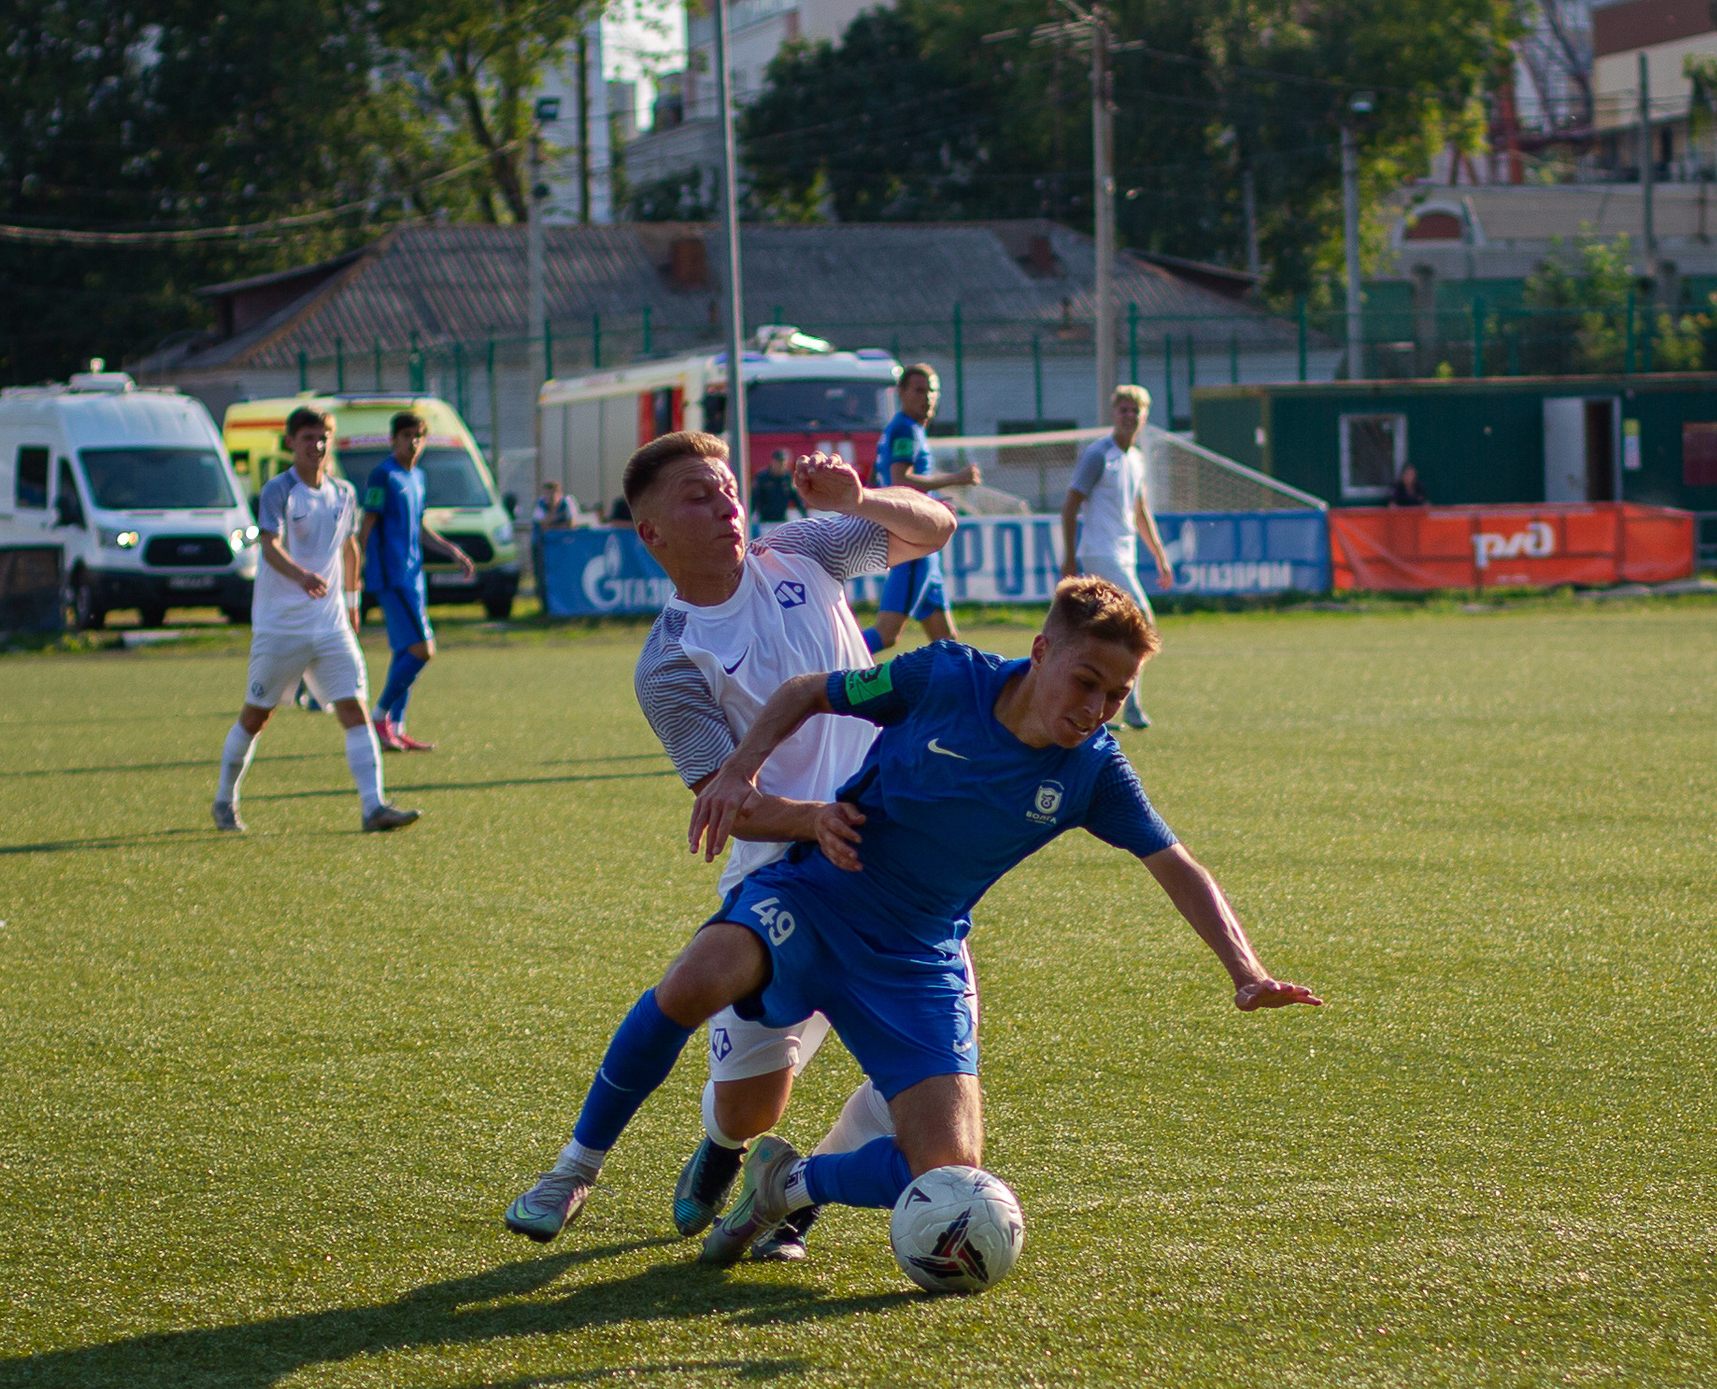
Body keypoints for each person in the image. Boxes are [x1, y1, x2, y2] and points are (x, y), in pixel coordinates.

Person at [502, 577, 1317, 1268]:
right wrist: (739, 774)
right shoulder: (944, 677)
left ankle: (788, 1187)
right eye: (1087, 680)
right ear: (1040, 652)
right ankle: (575, 1168)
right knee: (694, 982)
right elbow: (803, 692)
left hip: (918, 954)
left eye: (1118, 694)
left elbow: (1176, 863)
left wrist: (1245, 971)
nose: (1098, 707)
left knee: (952, 1173)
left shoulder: (1093, 772)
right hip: (820, 894)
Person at [503, 431, 958, 1259]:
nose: (725, 505)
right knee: (750, 1103)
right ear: (652, 535)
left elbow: (934, 528)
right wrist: (816, 820)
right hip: (787, 869)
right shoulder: (671, 659)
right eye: (697, 496)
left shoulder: (804, 549)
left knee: (923, 1091)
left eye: (727, 488)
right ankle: (712, 1147)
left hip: (899, 866)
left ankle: (789, 1200)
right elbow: (730, 806)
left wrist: (857, 500)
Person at [213, 405, 421, 836]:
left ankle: (373, 807)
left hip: (329, 626)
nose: (317, 445)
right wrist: (301, 575)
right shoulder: (278, 491)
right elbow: (268, 546)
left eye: (323, 437)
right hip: (281, 628)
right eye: (308, 437)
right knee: (256, 717)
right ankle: (224, 800)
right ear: (292, 442)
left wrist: (351, 602)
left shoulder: (343, 492)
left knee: (355, 709)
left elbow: (350, 549)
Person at [354, 411, 476, 754]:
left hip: (414, 575)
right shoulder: (383, 475)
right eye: (407, 435)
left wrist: (452, 550)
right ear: (394, 439)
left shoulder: (418, 476)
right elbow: (369, 522)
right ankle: (378, 717)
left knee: (404, 652)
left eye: (419, 436)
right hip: (392, 576)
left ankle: (397, 726)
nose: (414, 442)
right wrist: (357, 569)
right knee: (423, 650)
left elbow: (418, 527)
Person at [1059, 385, 1173, 730]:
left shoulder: (1135, 459)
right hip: (1099, 553)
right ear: (1113, 415)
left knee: (1106, 634)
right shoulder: (1099, 455)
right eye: (1123, 410)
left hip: (1122, 556)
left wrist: (1160, 556)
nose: (1129, 416)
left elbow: (1139, 512)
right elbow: (1070, 504)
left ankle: (1100, 702)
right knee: (1141, 620)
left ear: (1144, 416)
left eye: (1134, 411)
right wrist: (1069, 558)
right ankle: (1128, 706)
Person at [861, 363, 981, 654]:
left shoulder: (908, 428)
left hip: (923, 545)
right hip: (914, 543)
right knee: (886, 633)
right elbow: (900, 479)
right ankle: (818, 663)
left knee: (947, 641)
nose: (927, 397)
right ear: (901, 392)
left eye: (932, 391)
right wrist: (956, 478)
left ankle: (955, 698)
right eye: (918, 390)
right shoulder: (905, 428)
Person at [750, 448, 804, 527]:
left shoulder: (787, 478)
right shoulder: (762, 477)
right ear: (773, 462)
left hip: (781, 521)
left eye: (783, 463)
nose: (781, 466)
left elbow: (795, 498)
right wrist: (748, 518)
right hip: (765, 522)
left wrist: (805, 515)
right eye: (779, 463)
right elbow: (754, 499)